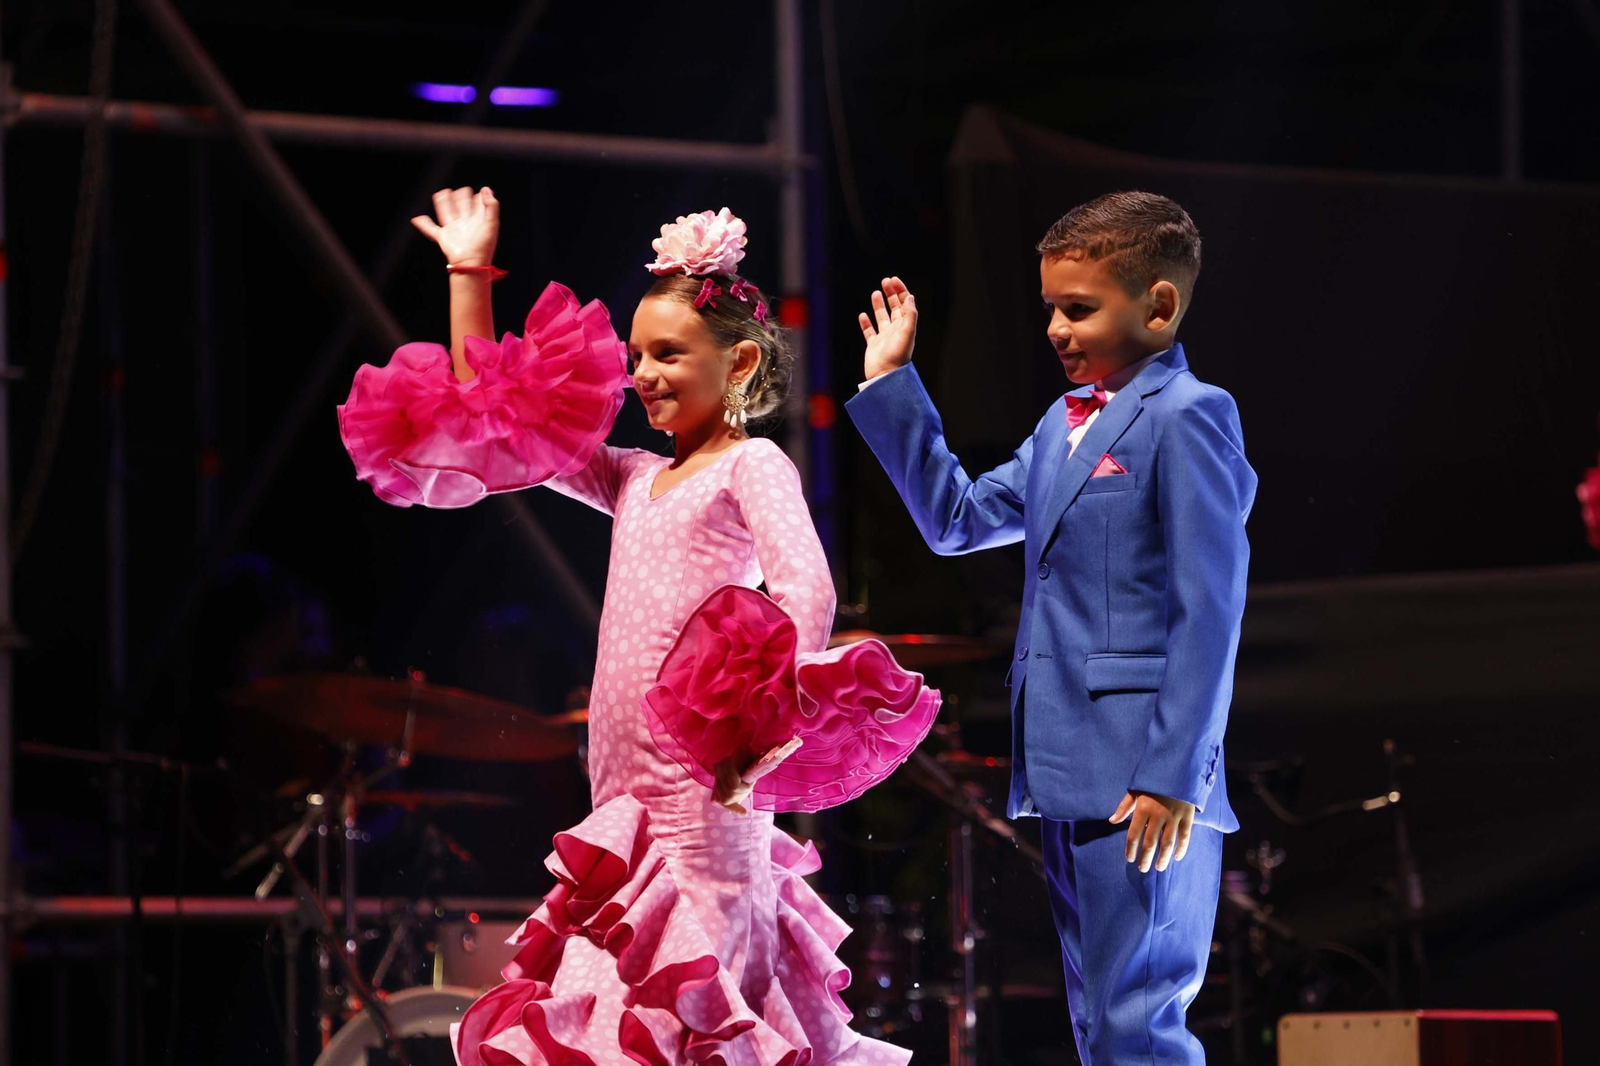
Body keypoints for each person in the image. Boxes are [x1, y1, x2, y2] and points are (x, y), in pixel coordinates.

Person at [338, 191, 937, 1066]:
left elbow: (805, 591)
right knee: (617, 1021)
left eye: (667, 354)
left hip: (704, 801)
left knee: (687, 1024)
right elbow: (508, 425)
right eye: (635, 356)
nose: (643, 374)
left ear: (735, 365)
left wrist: (753, 742)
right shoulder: (631, 476)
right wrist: (470, 275)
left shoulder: (751, 463)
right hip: (621, 806)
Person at [845, 191, 1256, 1065]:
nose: (1057, 330)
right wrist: (892, 386)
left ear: (1158, 306)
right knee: (1102, 1024)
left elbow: (1209, 607)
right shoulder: (1060, 425)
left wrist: (1175, 773)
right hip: (1070, 766)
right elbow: (955, 520)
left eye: (1079, 308)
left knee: (1137, 1021)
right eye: (1051, 310)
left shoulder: (1191, 414)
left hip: (1148, 775)